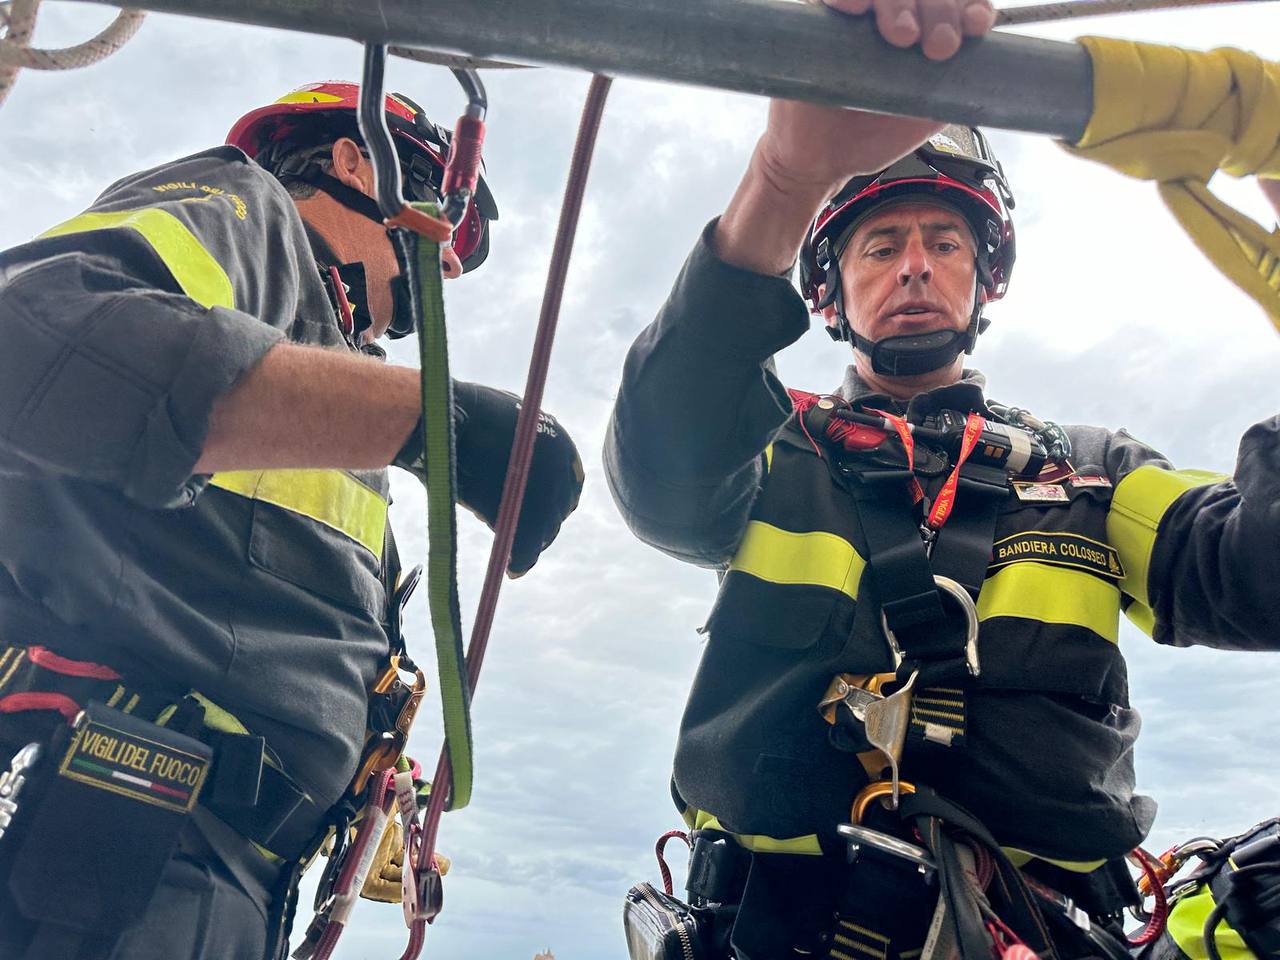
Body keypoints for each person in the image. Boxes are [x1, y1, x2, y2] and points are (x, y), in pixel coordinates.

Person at [605, 2, 1280, 957]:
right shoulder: (774, 448)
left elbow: (1260, 579)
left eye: (945, 242)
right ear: (832, 296)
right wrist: (784, 176)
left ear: (985, 277)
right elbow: (661, 472)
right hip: (772, 930)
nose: (915, 265)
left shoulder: (1097, 474)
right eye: (881, 246)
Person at [0, 82, 583, 960]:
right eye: (443, 212)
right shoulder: (249, 212)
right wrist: (438, 422)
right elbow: (28, 338)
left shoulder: (322, 377)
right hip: (103, 833)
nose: (452, 263)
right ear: (356, 160)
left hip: (205, 871)